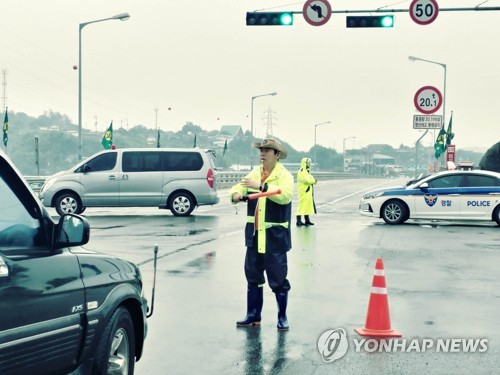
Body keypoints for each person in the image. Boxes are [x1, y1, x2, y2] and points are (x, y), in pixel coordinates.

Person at [229, 137, 294, 331]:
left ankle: (282, 316)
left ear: (277, 155)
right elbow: (239, 186)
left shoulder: (284, 175)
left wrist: (261, 187)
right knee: (253, 276)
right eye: (261, 150)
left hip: (275, 237)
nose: (262, 154)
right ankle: (253, 315)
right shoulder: (256, 173)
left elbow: (285, 195)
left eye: (267, 150)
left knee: (278, 279)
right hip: (254, 236)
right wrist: (234, 194)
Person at [296, 157, 317, 226]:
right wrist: (314, 181)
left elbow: (310, 179)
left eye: (309, 163)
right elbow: (308, 180)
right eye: (307, 163)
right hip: (304, 191)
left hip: (307, 191)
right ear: (304, 163)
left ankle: (307, 220)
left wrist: (313, 181)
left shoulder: (306, 171)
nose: (308, 164)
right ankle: (298, 220)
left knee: (306, 206)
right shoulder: (302, 171)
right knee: (302, 205)